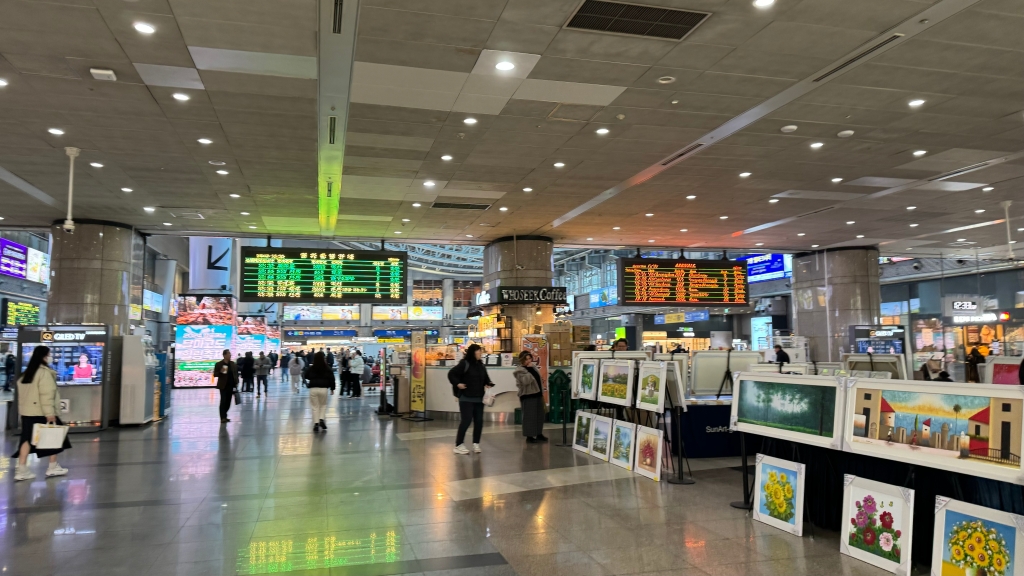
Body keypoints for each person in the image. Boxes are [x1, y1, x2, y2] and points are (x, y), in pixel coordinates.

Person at [13, 346, 71, 481]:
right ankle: (52, 467)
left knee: (26, 439)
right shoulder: (44, 373)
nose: (50, 357)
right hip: (42, 412)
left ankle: (21, 470)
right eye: (49, 354)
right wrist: (50, 413)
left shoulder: (27, 373)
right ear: (44, 356)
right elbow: (46, 395)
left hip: (27, 412)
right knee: (54, 437)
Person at [447, 343, 495, 455]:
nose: (481, 353)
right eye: (479, 351)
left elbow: (486, 378)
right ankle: (459, 445)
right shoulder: (464, 363)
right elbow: (451, 374)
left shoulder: (481, 365)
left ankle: (476, 443)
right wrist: (458, 384)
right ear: (473, 352)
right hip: (466, 397)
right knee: (466, 420)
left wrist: (489, 383)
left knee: (479, 421)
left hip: (479, 398)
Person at [514, 351, 547, 443]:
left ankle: (539, 433)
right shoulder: (519, 370)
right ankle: (529, 436)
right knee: (529, 416)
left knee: (539, 415)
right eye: (526, 359)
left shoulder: (533, 367)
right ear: (522, 360)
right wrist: (530, 370)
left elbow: (538, 379)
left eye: (529, 358)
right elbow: (526, 381)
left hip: (537, 394)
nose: (528, 361)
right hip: (528, 395)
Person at [304, 351, 335, 431]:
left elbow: (306, 375)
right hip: (324, 388)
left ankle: (316, 423)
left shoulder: (312, 367)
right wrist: (332, 388)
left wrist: (312, 378)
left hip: (313, 388)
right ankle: (321, 419)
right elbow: (332, 378)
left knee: (315, 406)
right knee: (323, 405)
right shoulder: (327, 368)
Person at [213, 350, 238, 423]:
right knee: (223, 401)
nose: (230, 355)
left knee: (228, 402)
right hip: (223, 386)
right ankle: (222, 417)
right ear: (224, 355)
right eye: (228, 354)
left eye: (230, 354)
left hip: (231, 385)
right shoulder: (219, 364)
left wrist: (236, 382)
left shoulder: (232, 364)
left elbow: (235, 373)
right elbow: (215, 374)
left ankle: (225, 415)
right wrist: (221, 372)